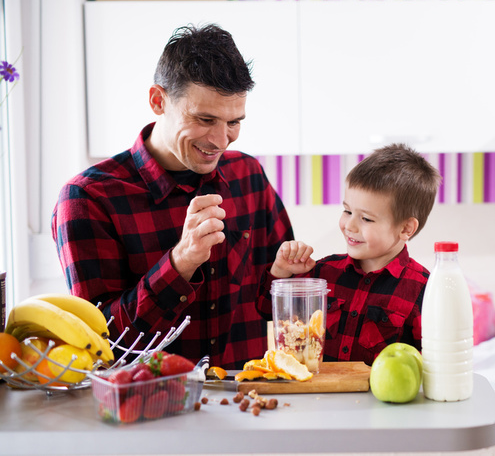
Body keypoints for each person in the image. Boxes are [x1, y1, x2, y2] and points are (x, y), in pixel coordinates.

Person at [51, 24, 294, 369]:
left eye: (234, 122)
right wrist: (181, 262)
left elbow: (275, 299)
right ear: (158, 101)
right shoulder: (87, 198)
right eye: (205, 119)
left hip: (244, 403)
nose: (222, 140)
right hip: (147, 410)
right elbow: (101, 342)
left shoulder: (248, 175)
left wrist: (289, 277)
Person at [257, 144, 441, 366]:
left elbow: (435, 364)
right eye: (347, 211)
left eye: (366, 219)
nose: (349, 226)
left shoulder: (425, 290)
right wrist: (281, 271)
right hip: (319, 397)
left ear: (406, 229)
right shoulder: (322, 273)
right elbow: (267, 310)